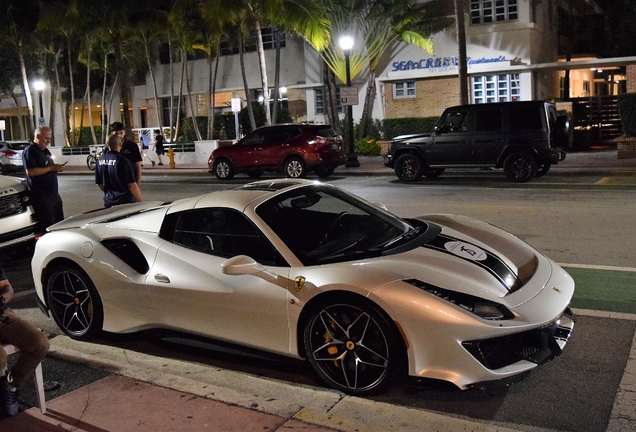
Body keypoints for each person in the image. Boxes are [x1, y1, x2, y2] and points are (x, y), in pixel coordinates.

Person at [0, 261, 50, 416]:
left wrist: (1, 299)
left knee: (39, 343)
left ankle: (11, 387)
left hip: (1, 314)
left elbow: (6, 287)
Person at [22, 125, 65, 234]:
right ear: (37, 136)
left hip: (53, 195)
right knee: (49, 227)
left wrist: (55, 168)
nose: (48, 141)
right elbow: (30, 172)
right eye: (46, 138)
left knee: (60, 224)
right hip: (42, 197)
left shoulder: (45, 151)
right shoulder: (30, 150)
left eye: (49, 138)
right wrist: (51, 168)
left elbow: (47, 167)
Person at [95, 133, 143, 207]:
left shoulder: (100, 161)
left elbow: (99, 183)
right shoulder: (122, 161)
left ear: (107, 146)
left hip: (109, 201)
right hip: (124, 202)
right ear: (120, 144)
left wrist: (109, 192)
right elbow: (131, 185)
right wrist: (140, 202)